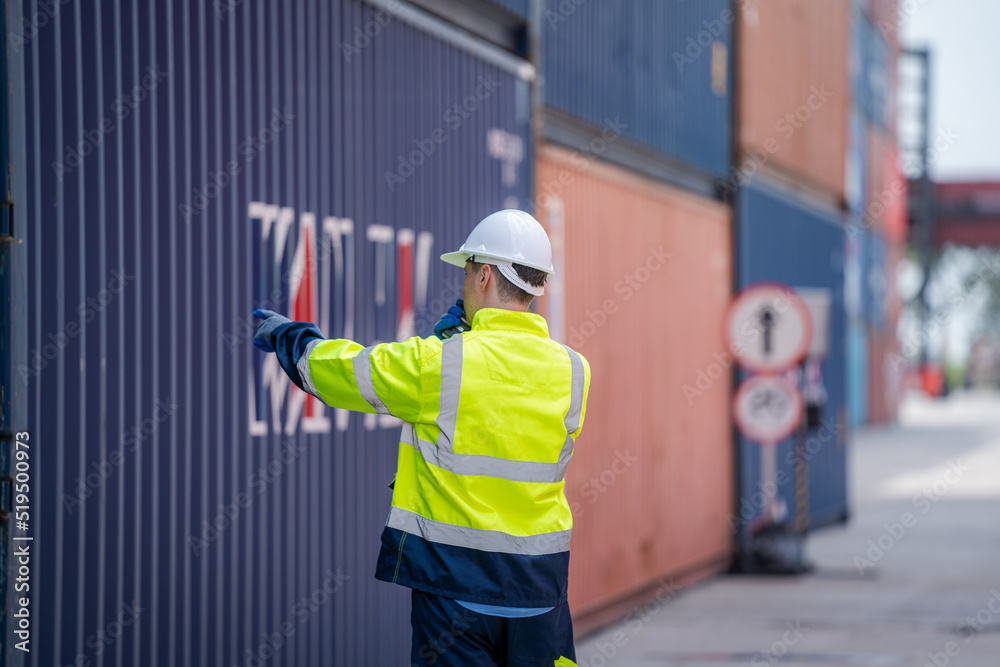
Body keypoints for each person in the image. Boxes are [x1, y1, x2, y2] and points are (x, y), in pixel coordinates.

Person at [253, 209, 590, 666]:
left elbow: (340, 374)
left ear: (485, 275)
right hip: (541, 594)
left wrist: (291, 337)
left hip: (456, 590)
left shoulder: (441, 364)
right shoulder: (574, 371)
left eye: (468, 272)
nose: (466, 283)